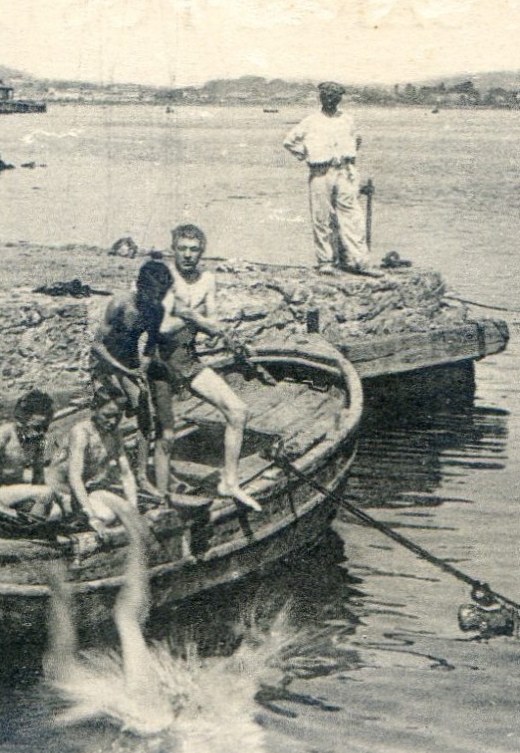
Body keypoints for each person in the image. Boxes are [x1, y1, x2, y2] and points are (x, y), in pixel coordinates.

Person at [147, 224, 261, 511]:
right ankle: (154, 493)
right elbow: (160, 328)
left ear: (202, 252)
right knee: (160, 435)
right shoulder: (163, 275)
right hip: (158, 361)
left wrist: (230, 338)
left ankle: (230, 482)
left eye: (194, 250)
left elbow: (212, 324)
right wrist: (193, 318)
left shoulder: (208, 280)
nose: (188, 255)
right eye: (182, 249)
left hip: (187, 360)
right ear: (173, 249)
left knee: (238, 410)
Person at [282, 81, 383, 277]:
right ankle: (326, 261)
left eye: (335, 96)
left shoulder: (347, 120)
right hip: (320, 172)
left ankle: (359, 261)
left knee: (352, 216)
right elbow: (289, 141)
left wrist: (349, 157)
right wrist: (307, 154)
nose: (330, 99)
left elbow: (357, 139)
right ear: (320, 98)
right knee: (322, 217)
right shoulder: (311, 121)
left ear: (339, 98)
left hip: (345, 171)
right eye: (326, 96)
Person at [90, 258, 174, 487]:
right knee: (111, 411)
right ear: (140, 286)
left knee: (145, 412)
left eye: (161, 295)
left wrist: (142, 368)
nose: (156, 300)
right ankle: (103, 467)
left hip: (130, 363)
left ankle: (141, 474)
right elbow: (97, 345)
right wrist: (123, 371)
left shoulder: (157, 309)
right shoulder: (120, 304)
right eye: (153, 294)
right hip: (106, 363)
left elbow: (150, 344)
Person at [0, 390, 64, 521]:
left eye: (44, 427)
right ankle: (28, 529)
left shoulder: (38, 439)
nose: (40, 432)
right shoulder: (6, 432)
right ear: (21, 421)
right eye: (36, 427)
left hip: (15, 492)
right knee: (46, 493)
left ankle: (29, 527)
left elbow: (38, 479)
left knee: (57, 512)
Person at [66, 395, 139, 532]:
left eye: (117, 417)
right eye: (107, 415)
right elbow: (74, 477)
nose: (112, 421)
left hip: (89, 489)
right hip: (65, 491)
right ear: (95, 410)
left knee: (125, 510)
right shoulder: (81, 433)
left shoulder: (115, 432)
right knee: (106, 516)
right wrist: (91, 516)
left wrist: (133, 507)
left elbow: (126, 472)